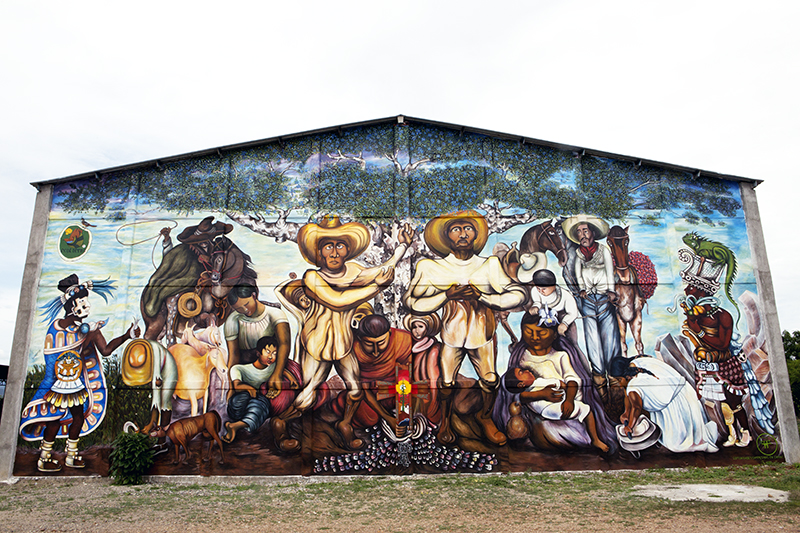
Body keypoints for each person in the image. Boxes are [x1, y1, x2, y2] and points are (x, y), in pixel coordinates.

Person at [271, 215, 414, 452]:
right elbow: (338, 301)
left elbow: (382, 270)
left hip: (343, 343)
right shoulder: (312, 277)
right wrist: (376, 287)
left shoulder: (354, 271)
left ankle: (345, 424)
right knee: (308, 395)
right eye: (328, 246)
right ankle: (280, 422)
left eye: (340, 246)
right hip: (318, 346)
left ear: (348, 250)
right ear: (319, 252)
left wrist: (402, 246)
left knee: (355, 390)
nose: (335, 252)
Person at [403, 210, 527, 446]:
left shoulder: (489, 265)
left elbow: (519, 294)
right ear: (446, 236)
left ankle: (485, 418)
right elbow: (410, 301)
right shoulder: (431, 267)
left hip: (482, 335)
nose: (463, 234)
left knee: (490, 380)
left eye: (468, 228)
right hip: (451, 336)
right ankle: (445, 423)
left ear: (476, 234)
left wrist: (483, 297)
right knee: (447, 382)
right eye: (456, 229)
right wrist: (445, 295)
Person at [20, 274, 139, 472]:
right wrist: (87, 335)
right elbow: (68, 355)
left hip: (75, 384)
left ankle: (71, 455)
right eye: (81, 303)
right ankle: (44, 457)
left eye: (86, 302)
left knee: (78, 417)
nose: (86, 306)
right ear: (72, 306)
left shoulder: (88, 329)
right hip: (57, 383)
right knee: (54, 420)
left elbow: (106, 350)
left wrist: (127, 335)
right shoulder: (59, 328)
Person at [504, 312, 609, 452]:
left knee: (574, 430)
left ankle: (589, 439)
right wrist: (542, 394)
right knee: (544, 432)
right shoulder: (522, 357)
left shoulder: (561, 356)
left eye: (541, 333)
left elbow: (572, 380)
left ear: (554, 335)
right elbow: (515, 394)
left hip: (566, 406)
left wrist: (569, 400)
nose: (535, 337)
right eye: (529, 332)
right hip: (541, 414)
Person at [680, 283, 751, 447]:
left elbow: (722, 344)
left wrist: (698, 331)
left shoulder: (723, 316)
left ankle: (746, 432)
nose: (686, 290)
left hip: (726, 364)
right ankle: (732, 433)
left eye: (691, 287)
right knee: (722, 403)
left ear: (702, 290)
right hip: (708, 364)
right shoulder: (695, 316)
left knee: (734, 402)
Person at [609, 355, 719, 453]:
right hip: (683, 392)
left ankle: (706, 439)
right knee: (666, 439)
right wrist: (626, 412)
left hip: (678, 403)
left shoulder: (634, 385)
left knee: (677, 445)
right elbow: (627, 394)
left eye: (619, 380)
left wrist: (630, 426)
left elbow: (636, 407)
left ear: (626, 376)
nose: (619, 384)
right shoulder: (637, 363)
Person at [561, 214, 621, 389]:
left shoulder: (603, 250)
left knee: (610, 336)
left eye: (585, 231)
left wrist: (611, 290)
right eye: (579, 232)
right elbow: (578, 273)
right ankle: (599, 376)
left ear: (593, 233)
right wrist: (582, 289)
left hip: (604, 298)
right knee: (592, 337)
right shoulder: (578, 254)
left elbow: (609, 270)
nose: (583, 235)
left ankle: (614, 376)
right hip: (587, 300)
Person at [330, 314, 413, 431]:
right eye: (369, 344)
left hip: (397, 391)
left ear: (389, 333)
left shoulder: (403, 340)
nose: (375, 351)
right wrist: (387, 418)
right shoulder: (354, 348)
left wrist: (403, 415)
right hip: (369, 395)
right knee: (369, 418)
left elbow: (404, 379)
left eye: (381, 343)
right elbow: (362, 387)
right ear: (360, 338)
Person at [223, 336, 300, 443]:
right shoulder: (239, 369)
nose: (271, 356)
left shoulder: (273, 368)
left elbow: (285, 373)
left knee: (262, 403)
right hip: (238, 406)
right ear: (258, 353)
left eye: (274, 353)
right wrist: (249, 388)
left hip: (256, 406)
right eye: (268, 352)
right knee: (252, 397)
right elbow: (237, 385)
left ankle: (235, 426)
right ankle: (237, 423)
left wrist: (292, 381)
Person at [224, 283, 291, 397]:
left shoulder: (275, 314)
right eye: (238, 309)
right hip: (247, 370)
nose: (245, 310)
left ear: (254, 296)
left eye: (246, 304)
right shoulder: (232, 320)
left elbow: (284, 343)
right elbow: (234, 354)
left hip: (273, 366)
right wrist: (232, 386)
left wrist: (277, 374)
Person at [402, 313, 442, 424]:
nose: (416, 331)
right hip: (410, 391)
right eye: (414, 327)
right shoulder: (407, 346)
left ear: (428, 328)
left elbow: (434, 377)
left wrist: (434, 400)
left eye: (420, 326)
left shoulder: (434, 348)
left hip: (427, 392)